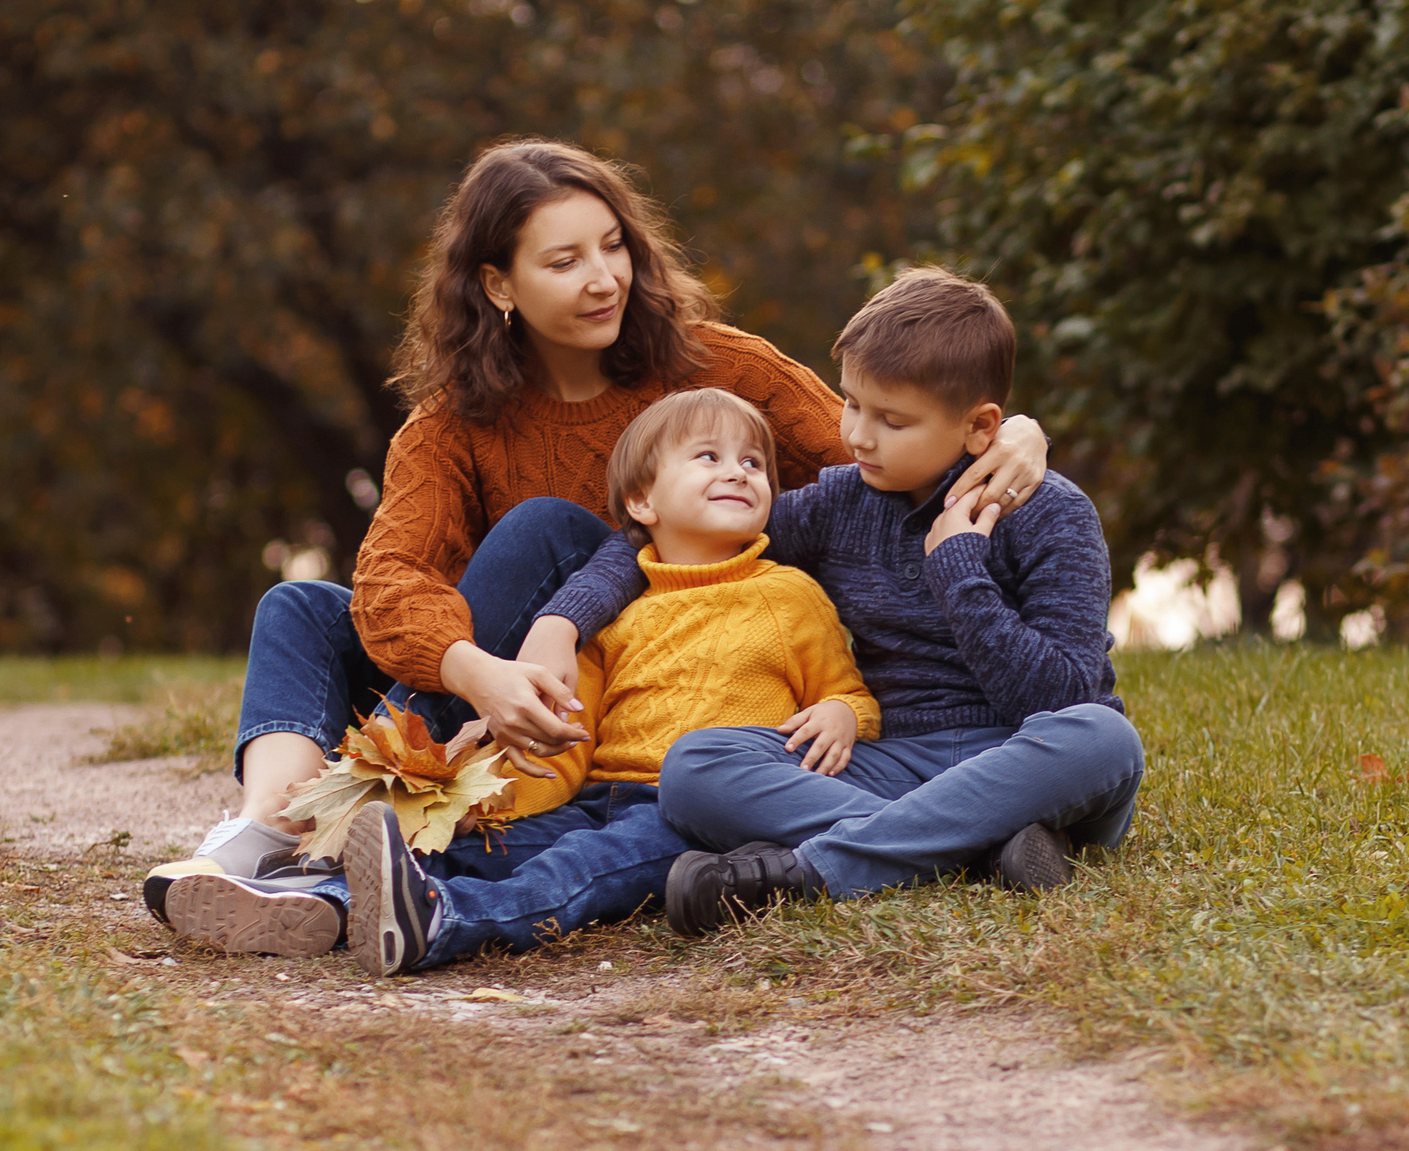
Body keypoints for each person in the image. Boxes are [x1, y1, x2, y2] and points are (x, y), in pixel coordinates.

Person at [143, 140, 1053, 943]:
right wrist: (476, 671)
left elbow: (879, 447)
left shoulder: (718, 369)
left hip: (611, 688)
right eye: (565, 259)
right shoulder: (450, 423)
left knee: (549, 527)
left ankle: (357, 826)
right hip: (492, 685)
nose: (604, 278)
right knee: (302, 605)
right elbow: (388, 579)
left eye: (614, 246)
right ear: (498, 284)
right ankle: (270, 829)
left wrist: (1015, 434)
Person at [526, 266, 1143, 934]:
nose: (858, 435)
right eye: (852, 404)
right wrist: (564, 620)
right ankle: (975, 846)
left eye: (891, 420)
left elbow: (1059, 696)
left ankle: (812, 866)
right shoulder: (841, 502)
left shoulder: (1054, 513)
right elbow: (663, 538)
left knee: (1104, 737)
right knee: (695, 765)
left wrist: (960, 569)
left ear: (980, 426)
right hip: (895, 762)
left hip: (1027, 756)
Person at [186, 386, 878, 973]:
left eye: (754, 462)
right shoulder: (618, 611)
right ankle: (324, 900)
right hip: (599, 793)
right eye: (710, 457)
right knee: (484, 846)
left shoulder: (788, 597)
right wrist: (510, 796)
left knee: (575, 869)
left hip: (694, 813)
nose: (740, 472)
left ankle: (440, 923)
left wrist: (844, 716)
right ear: (642, 501)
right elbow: (573, 731)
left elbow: (846, 689)